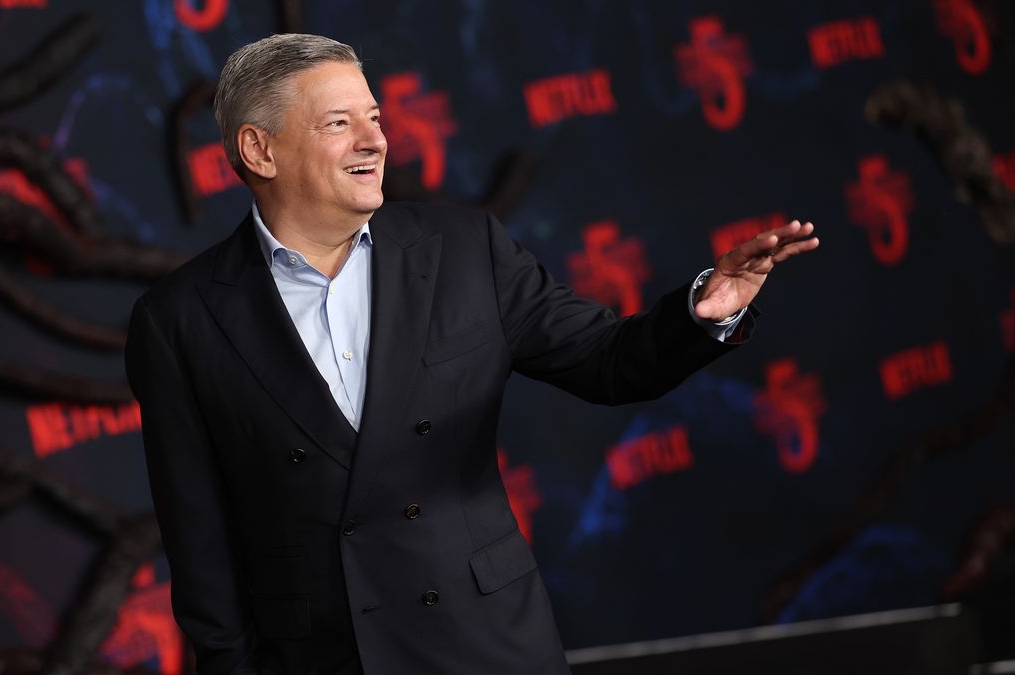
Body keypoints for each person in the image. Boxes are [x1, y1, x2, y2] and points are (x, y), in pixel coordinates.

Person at [124, 33, 818, 675]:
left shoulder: (465, 250)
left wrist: (704, 309)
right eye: (339, 122)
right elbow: (202, 554)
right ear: (259, 150)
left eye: (375, 117)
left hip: (487, 644)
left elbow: (611, 361)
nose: (376, 140)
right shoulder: (182, 320)